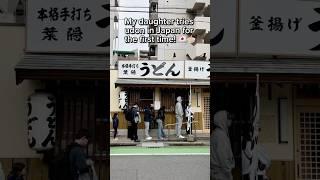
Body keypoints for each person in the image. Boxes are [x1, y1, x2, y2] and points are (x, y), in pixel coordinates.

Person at [211, 110, 235, 180]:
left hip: (219, 171)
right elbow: (222, 156)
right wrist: (228, 170)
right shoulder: (220, 135)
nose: (230, 120)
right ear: (222, 119)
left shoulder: (218, 133)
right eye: (228, 118)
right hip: (221, 173)